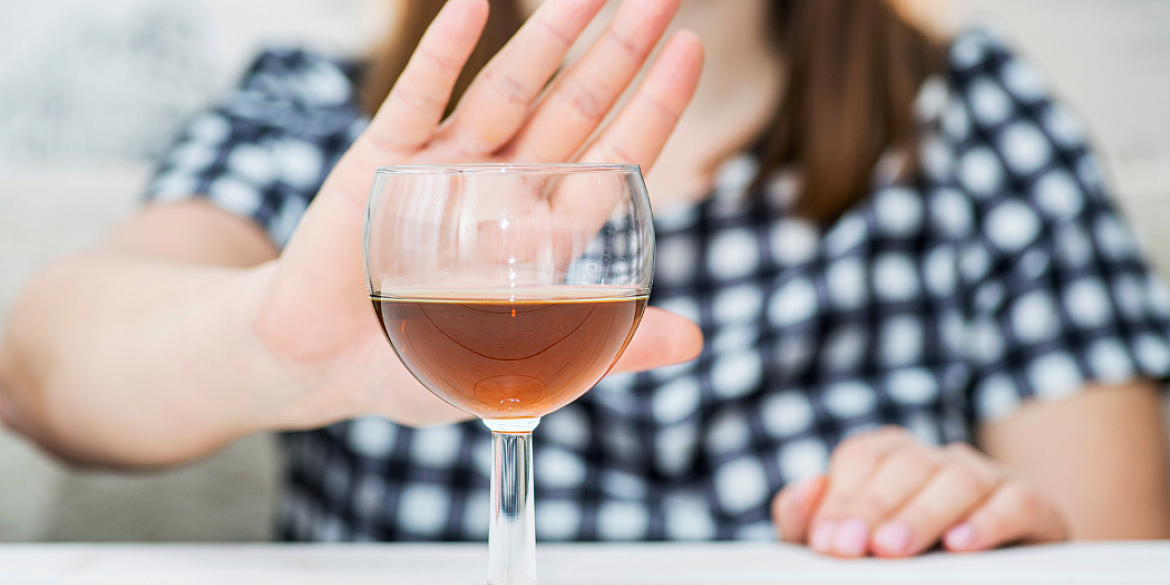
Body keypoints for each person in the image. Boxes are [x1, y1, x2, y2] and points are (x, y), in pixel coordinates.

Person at [1, 0, 1168, 558]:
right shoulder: (316, 117)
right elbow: (44, 369)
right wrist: (267, 345)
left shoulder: (970, 124)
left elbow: (1120, 549)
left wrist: (981, 531)